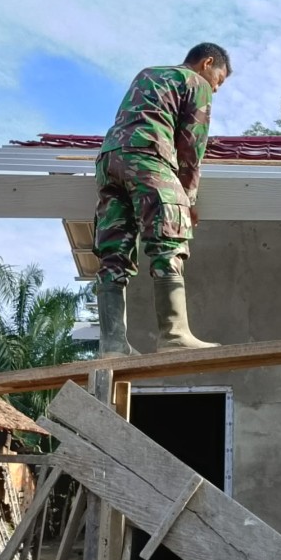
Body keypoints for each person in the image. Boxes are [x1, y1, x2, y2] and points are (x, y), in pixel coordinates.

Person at [94, 42, 231, 356]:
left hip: (109, 160)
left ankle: (112, 345)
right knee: (168, 239)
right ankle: (173, 335)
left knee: (113, 251)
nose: (216, 88)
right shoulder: (195, 82)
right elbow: (191, 147)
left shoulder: (148, 74)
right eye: (219, 79)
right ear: (206, 63)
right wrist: (187, 198)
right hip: (148, 157)